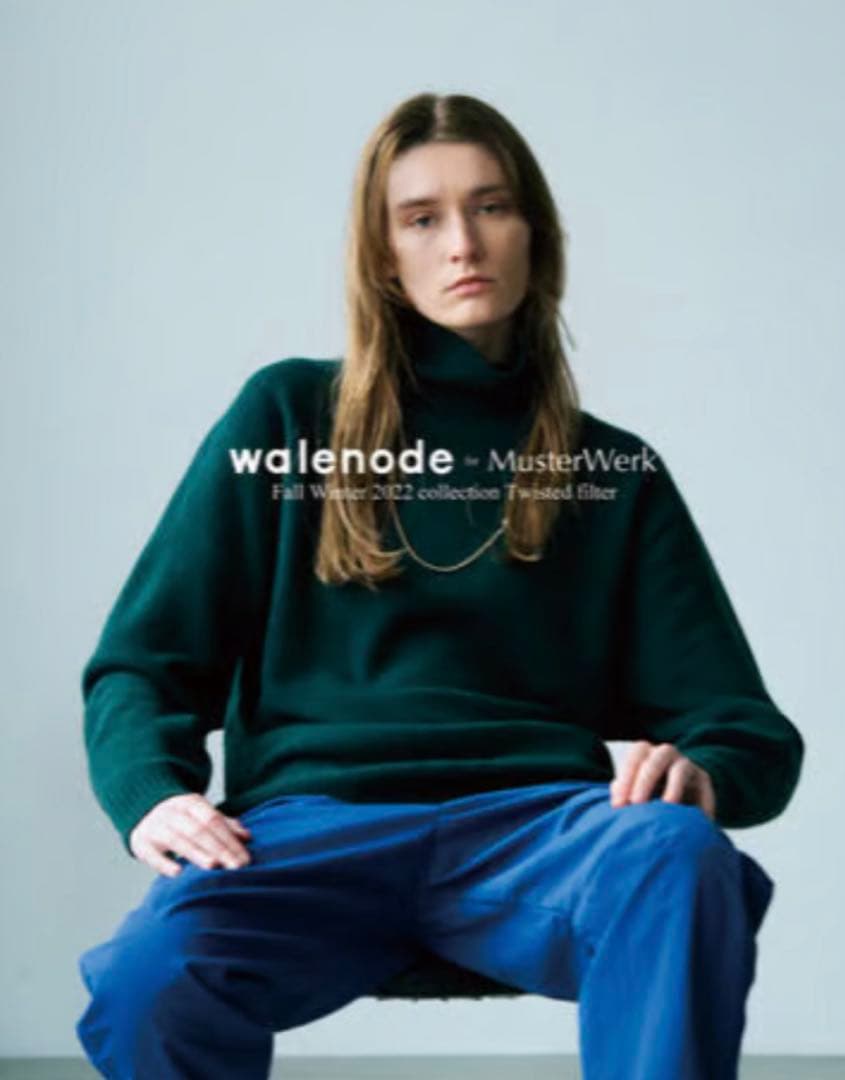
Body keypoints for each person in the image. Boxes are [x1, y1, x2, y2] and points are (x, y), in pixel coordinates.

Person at [75, 92, 804, 1079]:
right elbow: (142, 662)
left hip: (537, 834)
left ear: (535, 234)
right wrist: (151, 795)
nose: (463, 243)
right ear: (383, 255)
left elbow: (742, 723)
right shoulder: (287, 418)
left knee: (677, 854)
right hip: (306, 835)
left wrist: (704, 770)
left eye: (491, 207)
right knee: (148, 977)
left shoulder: (611, 472)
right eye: (421, 218)